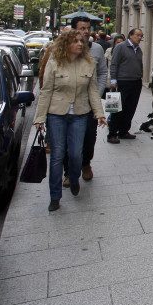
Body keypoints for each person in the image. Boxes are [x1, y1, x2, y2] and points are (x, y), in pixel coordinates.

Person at [32, 30, 108, 211]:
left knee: (75, 154)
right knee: (57, 155)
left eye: (82, 41)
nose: (80, 44)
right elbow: (46, 91)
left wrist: (100, 114)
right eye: (75, 41)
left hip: (80, 114)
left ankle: (74, 178)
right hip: (57, 114)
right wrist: (40, 117)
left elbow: (93, 91)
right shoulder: (54, 63)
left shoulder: (88, 64)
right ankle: (55, 196)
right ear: (66, 43)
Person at [64, 17, 108, 184]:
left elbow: (103, 72)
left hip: (89, 102)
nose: (86, 31)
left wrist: (98, 92)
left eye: (88, 28)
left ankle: (85, 163)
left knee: (90, 135)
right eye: (82, 28)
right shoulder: (63, 49)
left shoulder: (96, 49)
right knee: (67, 139)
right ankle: (68, 172)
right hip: (68, 103)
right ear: (74, 30)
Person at [107, 28, 144, 143]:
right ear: (130, 36)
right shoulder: (121, 47)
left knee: (130, 108)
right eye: (137, 35)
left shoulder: (139, 50)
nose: (139, 38)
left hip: (135, 82)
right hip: (122, 81)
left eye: (141, 36)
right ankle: (112, 133)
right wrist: (113, 80)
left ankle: (124, 131)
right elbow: (114, 64)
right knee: (117, 109)